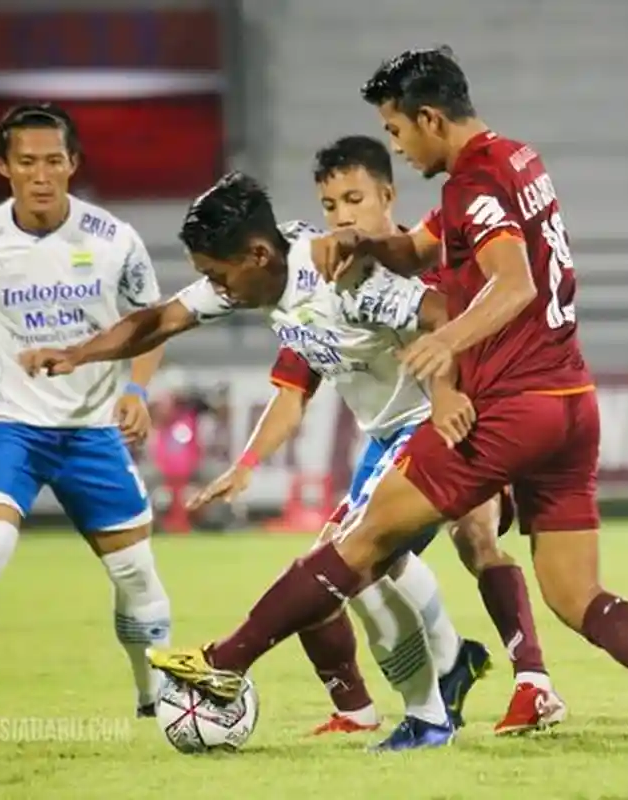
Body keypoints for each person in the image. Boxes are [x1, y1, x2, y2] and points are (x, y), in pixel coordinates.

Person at [139, 46, 628, 747]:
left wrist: (450, 342)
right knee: (578, 597)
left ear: (428, 117)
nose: (395, 143)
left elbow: (513, 284)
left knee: (362, 540)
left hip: (512, 403)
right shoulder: (517, 159)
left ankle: (222, 662)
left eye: (396, 130)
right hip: (573, 400)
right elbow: (420, 249)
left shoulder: (471, 184)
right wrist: (366, 239)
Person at [16, 169, 497, 751]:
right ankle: (436, 696)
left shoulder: (343, 280)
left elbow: (441, 312)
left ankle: (427, 711)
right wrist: (77, 354)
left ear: (257, 254)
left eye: (217, 276)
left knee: (351, 565)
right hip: (388, 438)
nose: (214, 289)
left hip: (431, 430)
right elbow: (162, 319)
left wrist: (446, 393)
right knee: (364, 575)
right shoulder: (268, 269)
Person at [187, 136, 565, 736]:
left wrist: (460, 395)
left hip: (465, 420)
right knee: (342, 565)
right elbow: (293, 389)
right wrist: (248, 463)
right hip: (387, 442)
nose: (341, 216)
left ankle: (531, 681)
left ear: (387, 196)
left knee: (472, 538)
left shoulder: (429, 264)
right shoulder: (326, 284)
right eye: (330, 204)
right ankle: (409, 683)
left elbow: (469, 323)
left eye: (354, 200)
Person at [0, 103, 171, 722]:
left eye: (54, 160)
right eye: (28, 162)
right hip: (12, 427)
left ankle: (151, 697)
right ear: (4, 167)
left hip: (91, 430)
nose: (42, 174)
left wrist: (136, 392)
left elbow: (150, 324)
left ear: (73, 164)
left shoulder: (114, 241)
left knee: (134, 572)